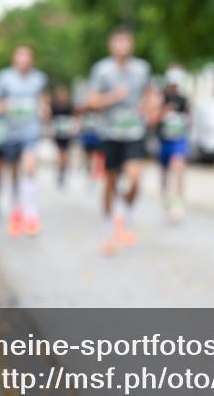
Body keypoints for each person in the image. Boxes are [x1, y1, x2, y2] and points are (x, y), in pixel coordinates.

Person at [86, 26, 152, 253]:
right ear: (111, 45)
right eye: (118, 42)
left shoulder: (142, 68)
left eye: (126, 41)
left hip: (134, 132)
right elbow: (91, 101)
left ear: (132, 44)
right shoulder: (102, 70)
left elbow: (150, 94)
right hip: (109, 132)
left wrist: (151, 106)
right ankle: (108, 221)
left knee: (135, 178)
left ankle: (124, 214)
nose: (122, 46)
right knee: (111, 181)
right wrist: (114, 97)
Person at [0, 45, 49, 237]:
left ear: (32, 59)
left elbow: (43, 101)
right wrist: (2, 106)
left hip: (31, 132)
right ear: (14, 59)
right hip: (8, 133)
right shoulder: (4, 78)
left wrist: (44, 109)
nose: (24, 59)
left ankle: (31, 214)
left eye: (27, 56)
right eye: (20, 55)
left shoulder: (39, 78)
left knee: (29, 168)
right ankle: (16, 209)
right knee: (13, 172)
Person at [154, 67, 191, 221]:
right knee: (164, 172)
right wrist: (163, 112)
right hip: (164, 140)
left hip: (178, 139)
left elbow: (188, 118)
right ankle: (165, 197)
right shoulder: (161, 98)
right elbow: (154, 118)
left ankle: (178, 201)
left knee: (178, 167)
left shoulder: (184, 100)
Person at [49, 85, 78, 188]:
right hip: (58, 132)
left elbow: (75, 117)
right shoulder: (54, 106)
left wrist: (74, 128)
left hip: (67, 133)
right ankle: (59, 170)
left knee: (65, 153)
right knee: (59, 153)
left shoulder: (69, 106)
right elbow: (50, 118)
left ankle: (64, 171)